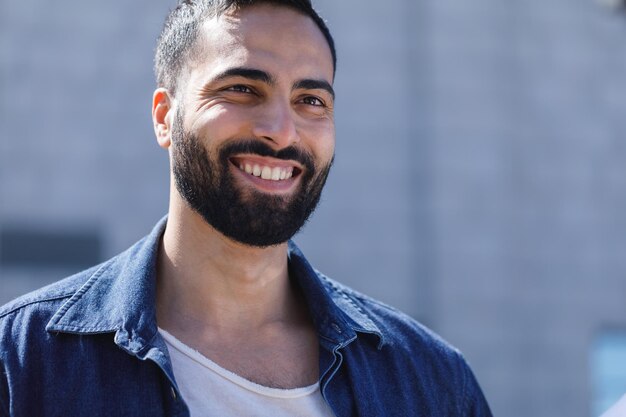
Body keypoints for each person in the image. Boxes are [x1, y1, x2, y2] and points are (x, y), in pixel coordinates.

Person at [0, 0, 492, 416]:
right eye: (242, 89)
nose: (281, 129)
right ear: (165, 117)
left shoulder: (432, 382)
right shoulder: (23, 363)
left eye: (311, 100)